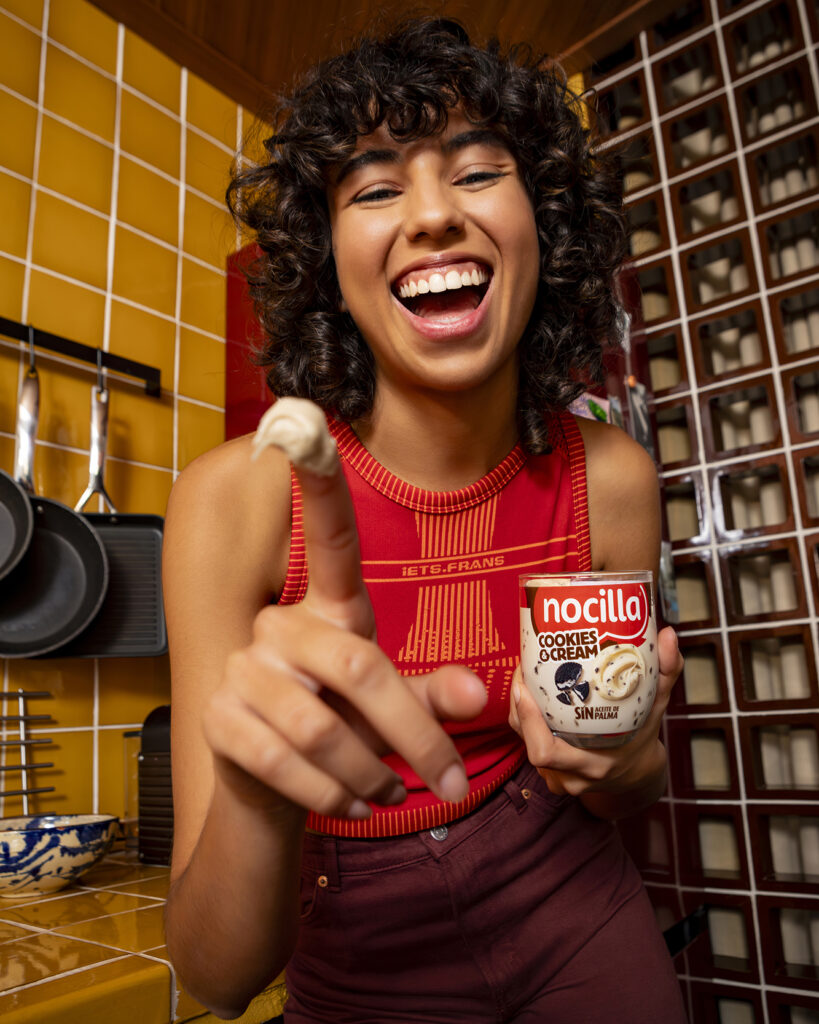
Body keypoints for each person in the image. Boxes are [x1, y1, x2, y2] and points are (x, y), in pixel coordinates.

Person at [163, 17, 688, 1023]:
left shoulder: (614, 479)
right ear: (329, 266)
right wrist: (264, 793)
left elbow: (623, 789)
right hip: (350, 953)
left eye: (480, 172)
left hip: (580, 907)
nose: (435, 215)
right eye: (374, 188)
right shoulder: (235, 499)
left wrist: (631, 765)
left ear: (546, 224)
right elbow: (218, 978)